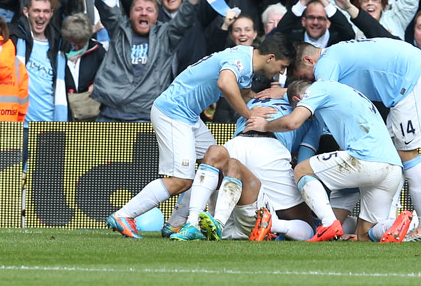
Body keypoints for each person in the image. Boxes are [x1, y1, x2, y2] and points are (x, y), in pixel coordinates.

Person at [105, 34, 295, 238]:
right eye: (282, 66)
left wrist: (271, 96)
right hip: (173, 112)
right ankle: (124, 215)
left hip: (188, 115)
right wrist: (249, 115)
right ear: (271, 57)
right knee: (181, 180)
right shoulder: (240, 60)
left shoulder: (246, 62)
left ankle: (176, 224)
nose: (280, 72)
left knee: (217, 164)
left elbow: (245, 92)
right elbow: (225, 83)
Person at [292, 38, 421, 242]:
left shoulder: (325, 63)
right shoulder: (339, 55)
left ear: (308, 60)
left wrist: (282, 94)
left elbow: (321, 92)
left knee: (406, 153)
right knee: (394, 154)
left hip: (412, 78)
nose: (310, 83)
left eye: (306, 76)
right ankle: (394, 223)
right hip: (416, 73)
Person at [246, 80, 407, 243]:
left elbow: (292, 122)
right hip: (393, 167)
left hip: (365, 158)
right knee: (364, 234)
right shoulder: (344, 91)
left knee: (302, 170)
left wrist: (265, 125)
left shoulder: (317, 89)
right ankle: (403, 224)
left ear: (299, 99)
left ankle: (329, 224)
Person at [170, 96, 319, 241]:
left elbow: (232, 87)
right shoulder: (311, 117)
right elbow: (303, 164)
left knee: (215, 153)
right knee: (309, 228)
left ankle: (192, 222)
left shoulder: (254, 99)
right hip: (270, 151)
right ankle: (272, 225)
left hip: (237, 142)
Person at [89, 0, 201, 122]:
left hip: (147, 117)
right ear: (130, 14)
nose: (143, 13)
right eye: (138, 9)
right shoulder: (120, 28)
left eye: (149, 10)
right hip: (111, 114)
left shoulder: (166, 36)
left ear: (156, 18)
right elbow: (105, 1)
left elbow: (186, 15)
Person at [10, 0, 67, 122]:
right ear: (26, 11)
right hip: (17, 123)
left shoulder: (59, 45)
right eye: (36, 11)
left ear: (52, 13)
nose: (41, 16)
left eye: (46, 11)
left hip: (48, 125)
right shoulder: (14, 39)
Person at [61, 13, 106, 121]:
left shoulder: (98, 51)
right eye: (72, 43)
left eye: (80, 43)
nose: (76, 47)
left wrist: (97, 84)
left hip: (91, 111)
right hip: (66, 111)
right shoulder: (59, 52)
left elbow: (109, 76)